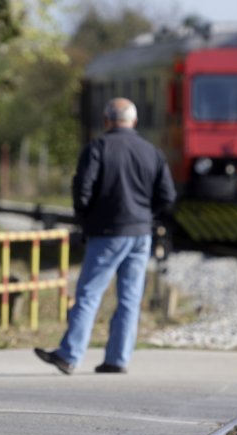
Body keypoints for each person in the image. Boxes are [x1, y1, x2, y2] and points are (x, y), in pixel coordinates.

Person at [34, 98, 176, 374]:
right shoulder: (152, 152)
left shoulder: (98, 148)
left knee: (89, 294)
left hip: (107, 233)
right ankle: (118, 358)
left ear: (107, 120)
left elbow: (83, 190)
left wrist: (87, 220)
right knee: (130, 298)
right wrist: (146, 215)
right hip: (140, 232)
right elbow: (167, 195)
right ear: (133, 121)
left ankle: (69, 354)